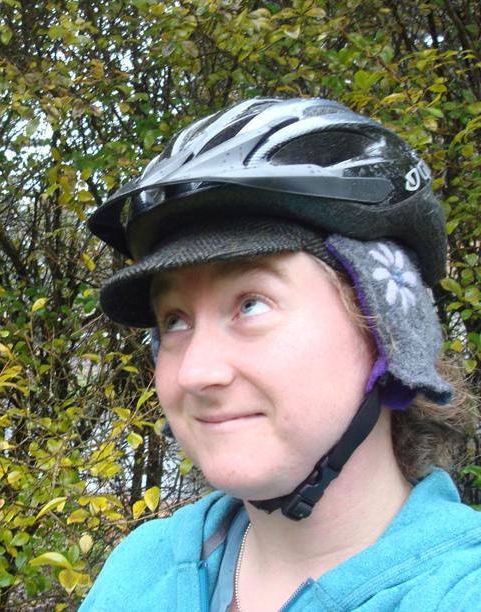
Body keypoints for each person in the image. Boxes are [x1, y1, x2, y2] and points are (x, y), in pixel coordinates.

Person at [80, 97, 481, 611]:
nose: (197, 373)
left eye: (250, 304)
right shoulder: (141, 571)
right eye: (174, 321)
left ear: (388, 331)